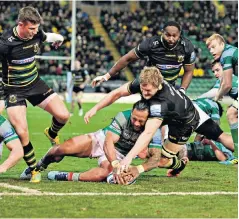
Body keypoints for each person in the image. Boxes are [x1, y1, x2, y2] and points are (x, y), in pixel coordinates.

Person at [85, 66, 234, 184]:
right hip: (186, 108)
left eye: (148, 90)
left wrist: (128, 159)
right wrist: (95, 108)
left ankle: (179, 164)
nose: (144, 93)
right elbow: (117, 93)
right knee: (220, 136)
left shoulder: (160, 103)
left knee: (161, 160)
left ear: (158, 85)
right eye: (142, 88)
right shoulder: (146, 82)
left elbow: (148, 133)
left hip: (184, 123)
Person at [0, 6, 70, 183]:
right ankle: (33, 170)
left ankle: (52, 133)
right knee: (23, 132)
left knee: (63, 115)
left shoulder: (38, 34)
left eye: (37, 28)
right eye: (31, 28)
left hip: (35, 83)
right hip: (14, 90)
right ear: (20, 24)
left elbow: (50, 37)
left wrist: (59, 39)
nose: (35, 32)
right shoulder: (5, 43)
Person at [34, 100, 162, 183]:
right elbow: (108, 141)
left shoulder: (154, 129)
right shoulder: (123, 116)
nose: (136, 123)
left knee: (103, 174)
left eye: (141, 121)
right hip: (100, 140)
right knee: (61, 149)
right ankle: (37, 166)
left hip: (120, 154)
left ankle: (64, 175)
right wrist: (116, 164)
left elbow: (156, 158)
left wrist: (138, 169)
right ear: (132, 112)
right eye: (134, 119)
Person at [91, 21, 196, 92]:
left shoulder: (187, 47)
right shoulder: (150, 44)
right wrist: (106, 76)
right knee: (120, 93)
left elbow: (189, 70)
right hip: (148, 84)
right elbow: (128, 58)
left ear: (180, 34)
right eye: (168, 35)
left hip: (169, 87)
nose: (171, 39)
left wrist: (182, 90)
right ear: (162, 33)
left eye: (175, 36)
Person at [206, 34, 238, 163]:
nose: (211, 51)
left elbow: (227, 84)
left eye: (213, 47)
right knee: (232, 113)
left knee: (231, 113)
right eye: (209, 49)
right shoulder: (232, 52)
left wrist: (217, 98)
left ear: (222, 44)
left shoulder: (226, 55)